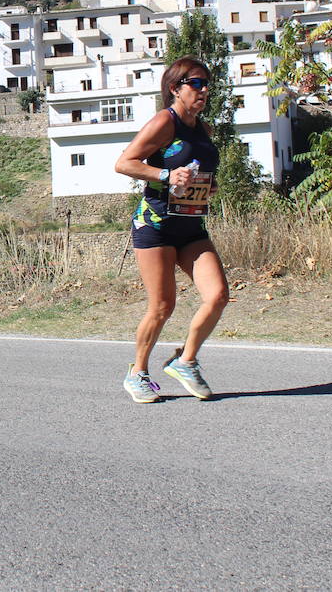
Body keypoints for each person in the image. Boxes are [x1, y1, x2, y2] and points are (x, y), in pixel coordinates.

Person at [114, 56, 229, 403]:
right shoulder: (166, 122)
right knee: (163, 306)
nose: (204, 89)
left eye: (207, 83)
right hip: (156, 225)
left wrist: (209, 187)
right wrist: (165, 175)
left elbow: (200, 171)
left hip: (191, 225)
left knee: (219, 295)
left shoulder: (203, 130)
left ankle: (186, 360)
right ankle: (138, 373)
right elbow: (124, 163)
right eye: (196, 83)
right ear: (175, 88)